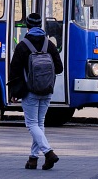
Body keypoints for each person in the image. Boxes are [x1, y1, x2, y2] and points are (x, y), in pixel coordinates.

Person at [7, 13, 63, 170]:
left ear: (27, 26)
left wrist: (13, 93)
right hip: (47, 90)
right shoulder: (49, 44)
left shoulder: (23, 46)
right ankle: (33, 159)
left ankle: (48, 152)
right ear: (40, 25)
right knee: (39, 123)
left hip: (30, 91)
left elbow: (14, 72)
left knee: (31, 124)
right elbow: (59, 68)